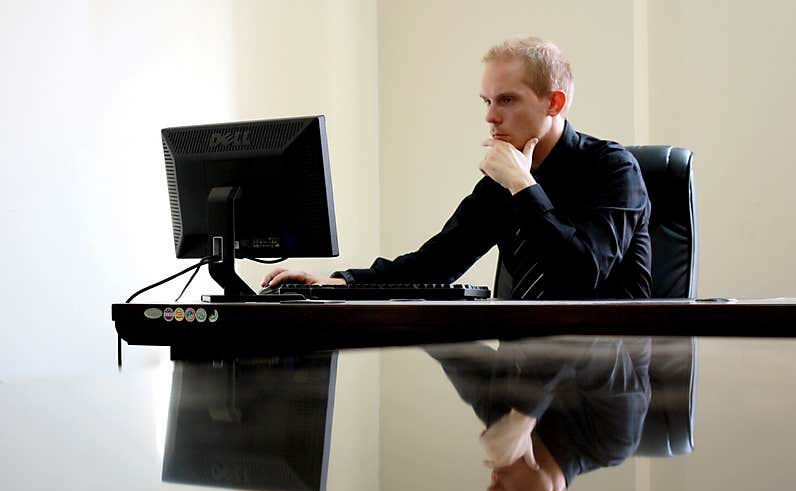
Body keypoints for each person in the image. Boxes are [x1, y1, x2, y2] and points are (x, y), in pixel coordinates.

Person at [263, 37, 651, 300]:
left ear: (554, 103)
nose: (491, 117)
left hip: (604, 380)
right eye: (486, 101)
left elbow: (582, 274)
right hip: (523, 371)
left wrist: (521, 184)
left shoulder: (614, 169)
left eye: (506, 100)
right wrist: (339, 282)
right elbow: (435, 265)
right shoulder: (502, 180)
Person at [425, 336, 652, 491]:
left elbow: (448, 346)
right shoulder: (612, 440)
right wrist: (523, 417)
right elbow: (582, 335)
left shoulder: (500, 419)